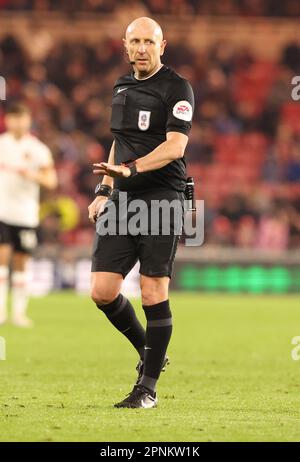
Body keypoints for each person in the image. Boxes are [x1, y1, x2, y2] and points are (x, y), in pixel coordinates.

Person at [88, 17, 194, 408]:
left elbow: (175, 147)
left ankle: (146, 389)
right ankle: (151, 351)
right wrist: (104, 189)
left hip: (162, 198)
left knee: (153, 292)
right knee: (102, 292)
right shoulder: (121, 85)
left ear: (162, 46)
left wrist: (131, 170)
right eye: (135, 41)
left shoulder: (177, 88)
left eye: (149, 41)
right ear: (125, 45)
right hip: (122, 199)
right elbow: (121, 143)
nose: (142, 48)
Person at [0, 103, 57, 327]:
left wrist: (31, 175)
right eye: (13, 118)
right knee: (2, 258)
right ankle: (2, 312)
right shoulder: (1, 144)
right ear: (7, 120)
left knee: (21, 262)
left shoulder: (38, 149)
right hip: (2, 211)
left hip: (25, 214)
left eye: (21, 118)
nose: (17, 122)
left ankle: (19, 314)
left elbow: (51, 181)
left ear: (28, 120)